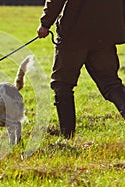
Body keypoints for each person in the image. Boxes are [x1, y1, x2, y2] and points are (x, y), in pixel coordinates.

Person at [37, 0, 125, 139]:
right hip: (105, 34)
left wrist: (45, 23)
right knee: (111, 83)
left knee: (62, 85)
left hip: (74, 34)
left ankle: (67, 137)